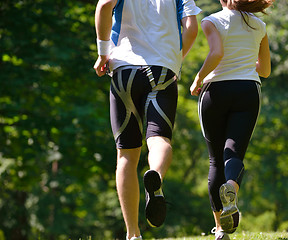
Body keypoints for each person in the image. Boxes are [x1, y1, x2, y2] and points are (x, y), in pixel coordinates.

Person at [93, 0, 201, 239]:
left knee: (126, 155)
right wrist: (176, 57)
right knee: (159, 139)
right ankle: (156, 177)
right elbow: (192, 27)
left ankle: (133, 234)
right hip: (162, 70)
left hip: (123, 69)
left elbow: (103, 7)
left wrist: (103, 54)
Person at [190, 0, 273, 239]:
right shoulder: (259, 25)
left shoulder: (211, 21)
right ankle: (232, 189)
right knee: (233, 154)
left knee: (215, 160)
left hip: (215, 92)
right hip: (248, 91)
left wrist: (198, 79)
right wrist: (245, 61)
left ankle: (220, 230)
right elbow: (265, 70)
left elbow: (217, 53)